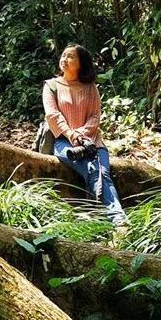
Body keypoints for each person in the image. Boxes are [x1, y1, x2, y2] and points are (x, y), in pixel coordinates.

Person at [43, 44, 126, 225]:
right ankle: (115, 219)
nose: (64, 60)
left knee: (101, 172)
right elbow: (52, 115)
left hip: (92, 142)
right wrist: (71, 135)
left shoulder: (90, 88)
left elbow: (95, 117)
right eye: (63, 55)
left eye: (70, 57)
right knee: (91, 170)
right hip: (64, 143)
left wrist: (80, 134)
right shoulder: (51, 86)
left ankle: (115, 221)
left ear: (81, 63)